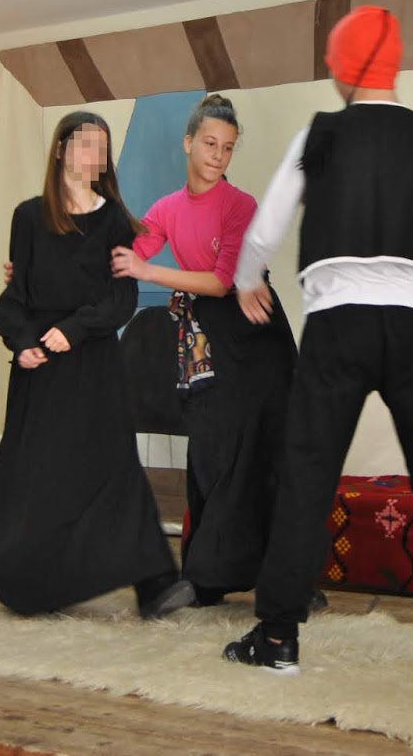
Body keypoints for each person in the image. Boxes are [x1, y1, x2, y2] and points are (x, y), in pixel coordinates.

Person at [220, 5, 413, 675]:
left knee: (307, 476)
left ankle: (277, 638)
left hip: (338, 322)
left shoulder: (319, 134)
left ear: (345, 67)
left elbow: (264, 230)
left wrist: (245, 280)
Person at [0, 111, 193, 619]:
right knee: (39, 476)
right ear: (60, 150)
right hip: (39, 369)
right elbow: (15, 297)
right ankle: (32, 583)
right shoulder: (28, 217)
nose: (93, 155)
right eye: (84, 144)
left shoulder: (115, 220)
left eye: (102, 147)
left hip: (93, 363)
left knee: (112, 468)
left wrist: (73, 331)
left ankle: (155, 583)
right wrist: (23, 341)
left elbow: (120, 300)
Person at [109, 94, 298, 607]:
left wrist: (149, 271)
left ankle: (287, 579)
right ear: (188, 142)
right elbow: (124, 257)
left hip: (257, 338)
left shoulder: (241, 205)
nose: (218, 155)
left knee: (265, 455)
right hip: (207, 337)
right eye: (210, 143)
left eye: (228, 148)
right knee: (212, 451)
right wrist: (39, 269)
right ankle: (208, 577)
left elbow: (221, 281)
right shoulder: (166, 209)